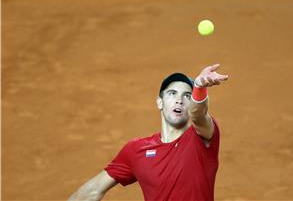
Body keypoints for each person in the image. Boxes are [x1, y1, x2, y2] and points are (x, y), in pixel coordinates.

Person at [68, 64, 229, 201]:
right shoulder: (136, 150)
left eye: (187, 96)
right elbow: (92, 191)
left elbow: (198, 113)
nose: (179, 100)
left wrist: (199, 87)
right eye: (172, 94)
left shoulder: (202, 137)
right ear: (160, 102)